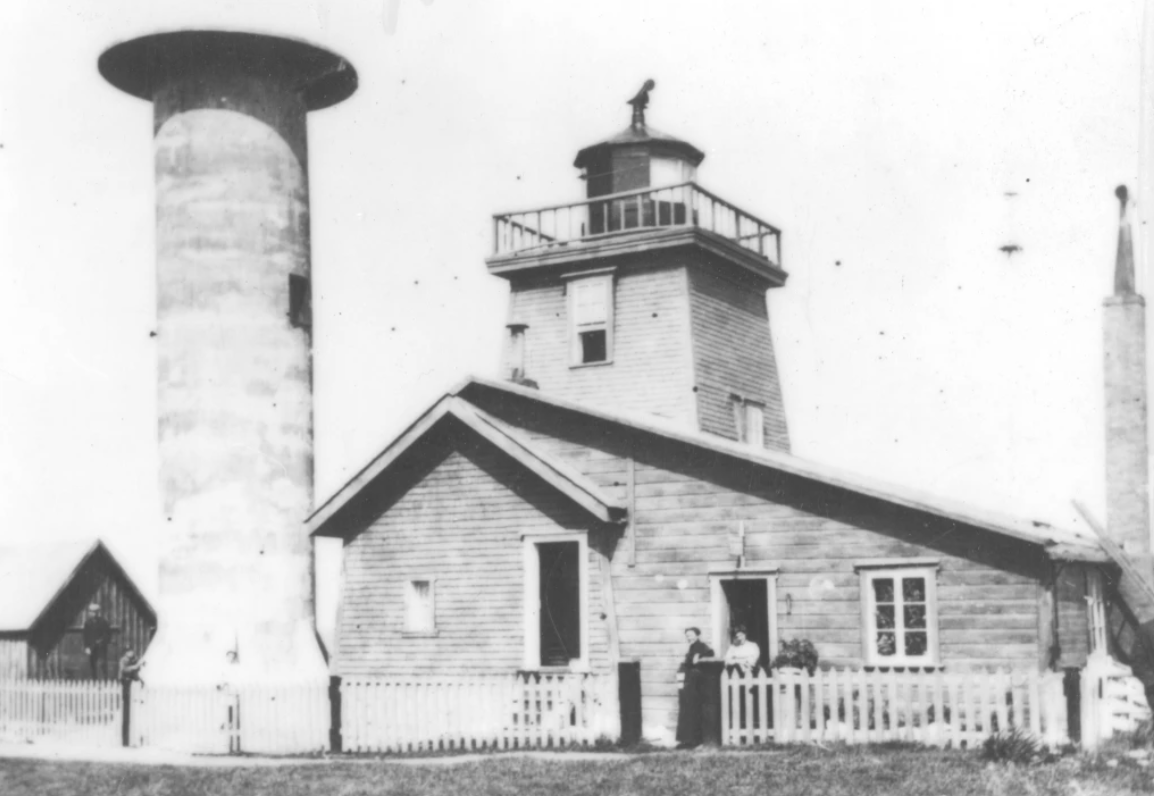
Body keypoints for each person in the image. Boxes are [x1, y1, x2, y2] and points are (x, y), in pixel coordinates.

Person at [675, 627, 714, 749]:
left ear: (697, 635)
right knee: (687, 711)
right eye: (687, 635)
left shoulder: (702, 647)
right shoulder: (692, 647)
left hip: (696, 685)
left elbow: (705, 659)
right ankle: (687, 740)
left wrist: (698, 658)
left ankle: (695, 741)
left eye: (691, 635)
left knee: (694, 711)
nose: (689, 637)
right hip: (688, 684)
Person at [82, 603, 112, 679]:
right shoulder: (87, 623)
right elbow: (86, 636)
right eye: (91, 612)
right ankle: (94, 680)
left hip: (101, 647)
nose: (92, 613)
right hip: (91, 648)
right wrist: (86, 647)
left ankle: (105, 680)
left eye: (94, 612)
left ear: (98, 612)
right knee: (92, 665)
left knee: (102, 664)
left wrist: (101, 642)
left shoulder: (103, 622)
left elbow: (107, 635)